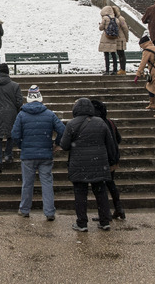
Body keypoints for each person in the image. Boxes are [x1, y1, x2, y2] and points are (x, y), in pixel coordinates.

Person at [60, 97, 119, 231]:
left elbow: (64, 145)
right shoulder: (100, 122)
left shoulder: (72, 124)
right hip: (99, 163)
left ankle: (82, 223)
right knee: (101, 192)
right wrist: (112, 161)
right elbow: (110, 144)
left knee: (80, 194)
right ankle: (104, 221)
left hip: (79, 164)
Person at [11, 85, 65, 221]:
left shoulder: (21, 115)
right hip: (46, 154)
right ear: (40, 98)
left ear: (28, 98)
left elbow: (14, 134)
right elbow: (63, 130)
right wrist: (56, 144)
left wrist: (22, 145)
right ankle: (49, 211)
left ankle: (24, 209)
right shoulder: (49, 114)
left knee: (27, 183)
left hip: (28, 155)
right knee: (47, 183)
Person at [91, 99, 126, 220]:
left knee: (100, 187)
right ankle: (118, 208)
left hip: (102, 159)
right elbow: (119, 139)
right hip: (113, 158)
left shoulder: (96, 124)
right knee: (111, 184)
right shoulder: (110, 122)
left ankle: (104, 214)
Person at [134, 35, 155, 118]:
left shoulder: (147, 50)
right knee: (150, 87)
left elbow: (143, 63)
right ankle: (152, 104)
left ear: (143, 44)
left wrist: (137, 75)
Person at [98, 5, 129, 75]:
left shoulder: (120, 19)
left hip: (119, 39)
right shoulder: (116, 19)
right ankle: (119, 69)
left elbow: (125, 28)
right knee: (117, 54)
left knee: (120, 54)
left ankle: (122, 69)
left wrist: (126, 38)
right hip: (115, 38)